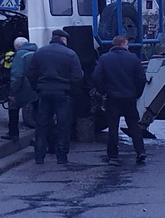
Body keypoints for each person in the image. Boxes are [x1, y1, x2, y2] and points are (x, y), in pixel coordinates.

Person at [27, 29, 83, 164]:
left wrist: (37, 87)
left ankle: (39, 156)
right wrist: (73, 92)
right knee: (63, 125)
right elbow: (77, 77)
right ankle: (61, 157)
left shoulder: (40, 52)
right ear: (64, 40)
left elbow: (30, 73)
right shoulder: (70, 54)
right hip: (63, 94)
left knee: (41, 125)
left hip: (44, 92)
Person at [93, 35, 147, 165]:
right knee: (134, 125)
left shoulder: (104, 58)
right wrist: (137, 93)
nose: (128, 46)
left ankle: (113, 156)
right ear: (123, 44)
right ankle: (140, 151)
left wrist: (103, 91)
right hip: (129, 98)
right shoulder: (133, 58)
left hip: (112, 98)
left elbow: (96, 76)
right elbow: (141, 78)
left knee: (113, 127)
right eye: (127, 44)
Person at [2, 37, 38, 141]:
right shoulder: (37, 52)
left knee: (13, 107)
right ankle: (42, 136)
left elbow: (17, 75)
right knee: (40, 112)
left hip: (23, 88)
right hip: (37, 88)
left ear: (17, 46)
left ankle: (13, 133)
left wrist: (12, 91)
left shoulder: (20, 55)